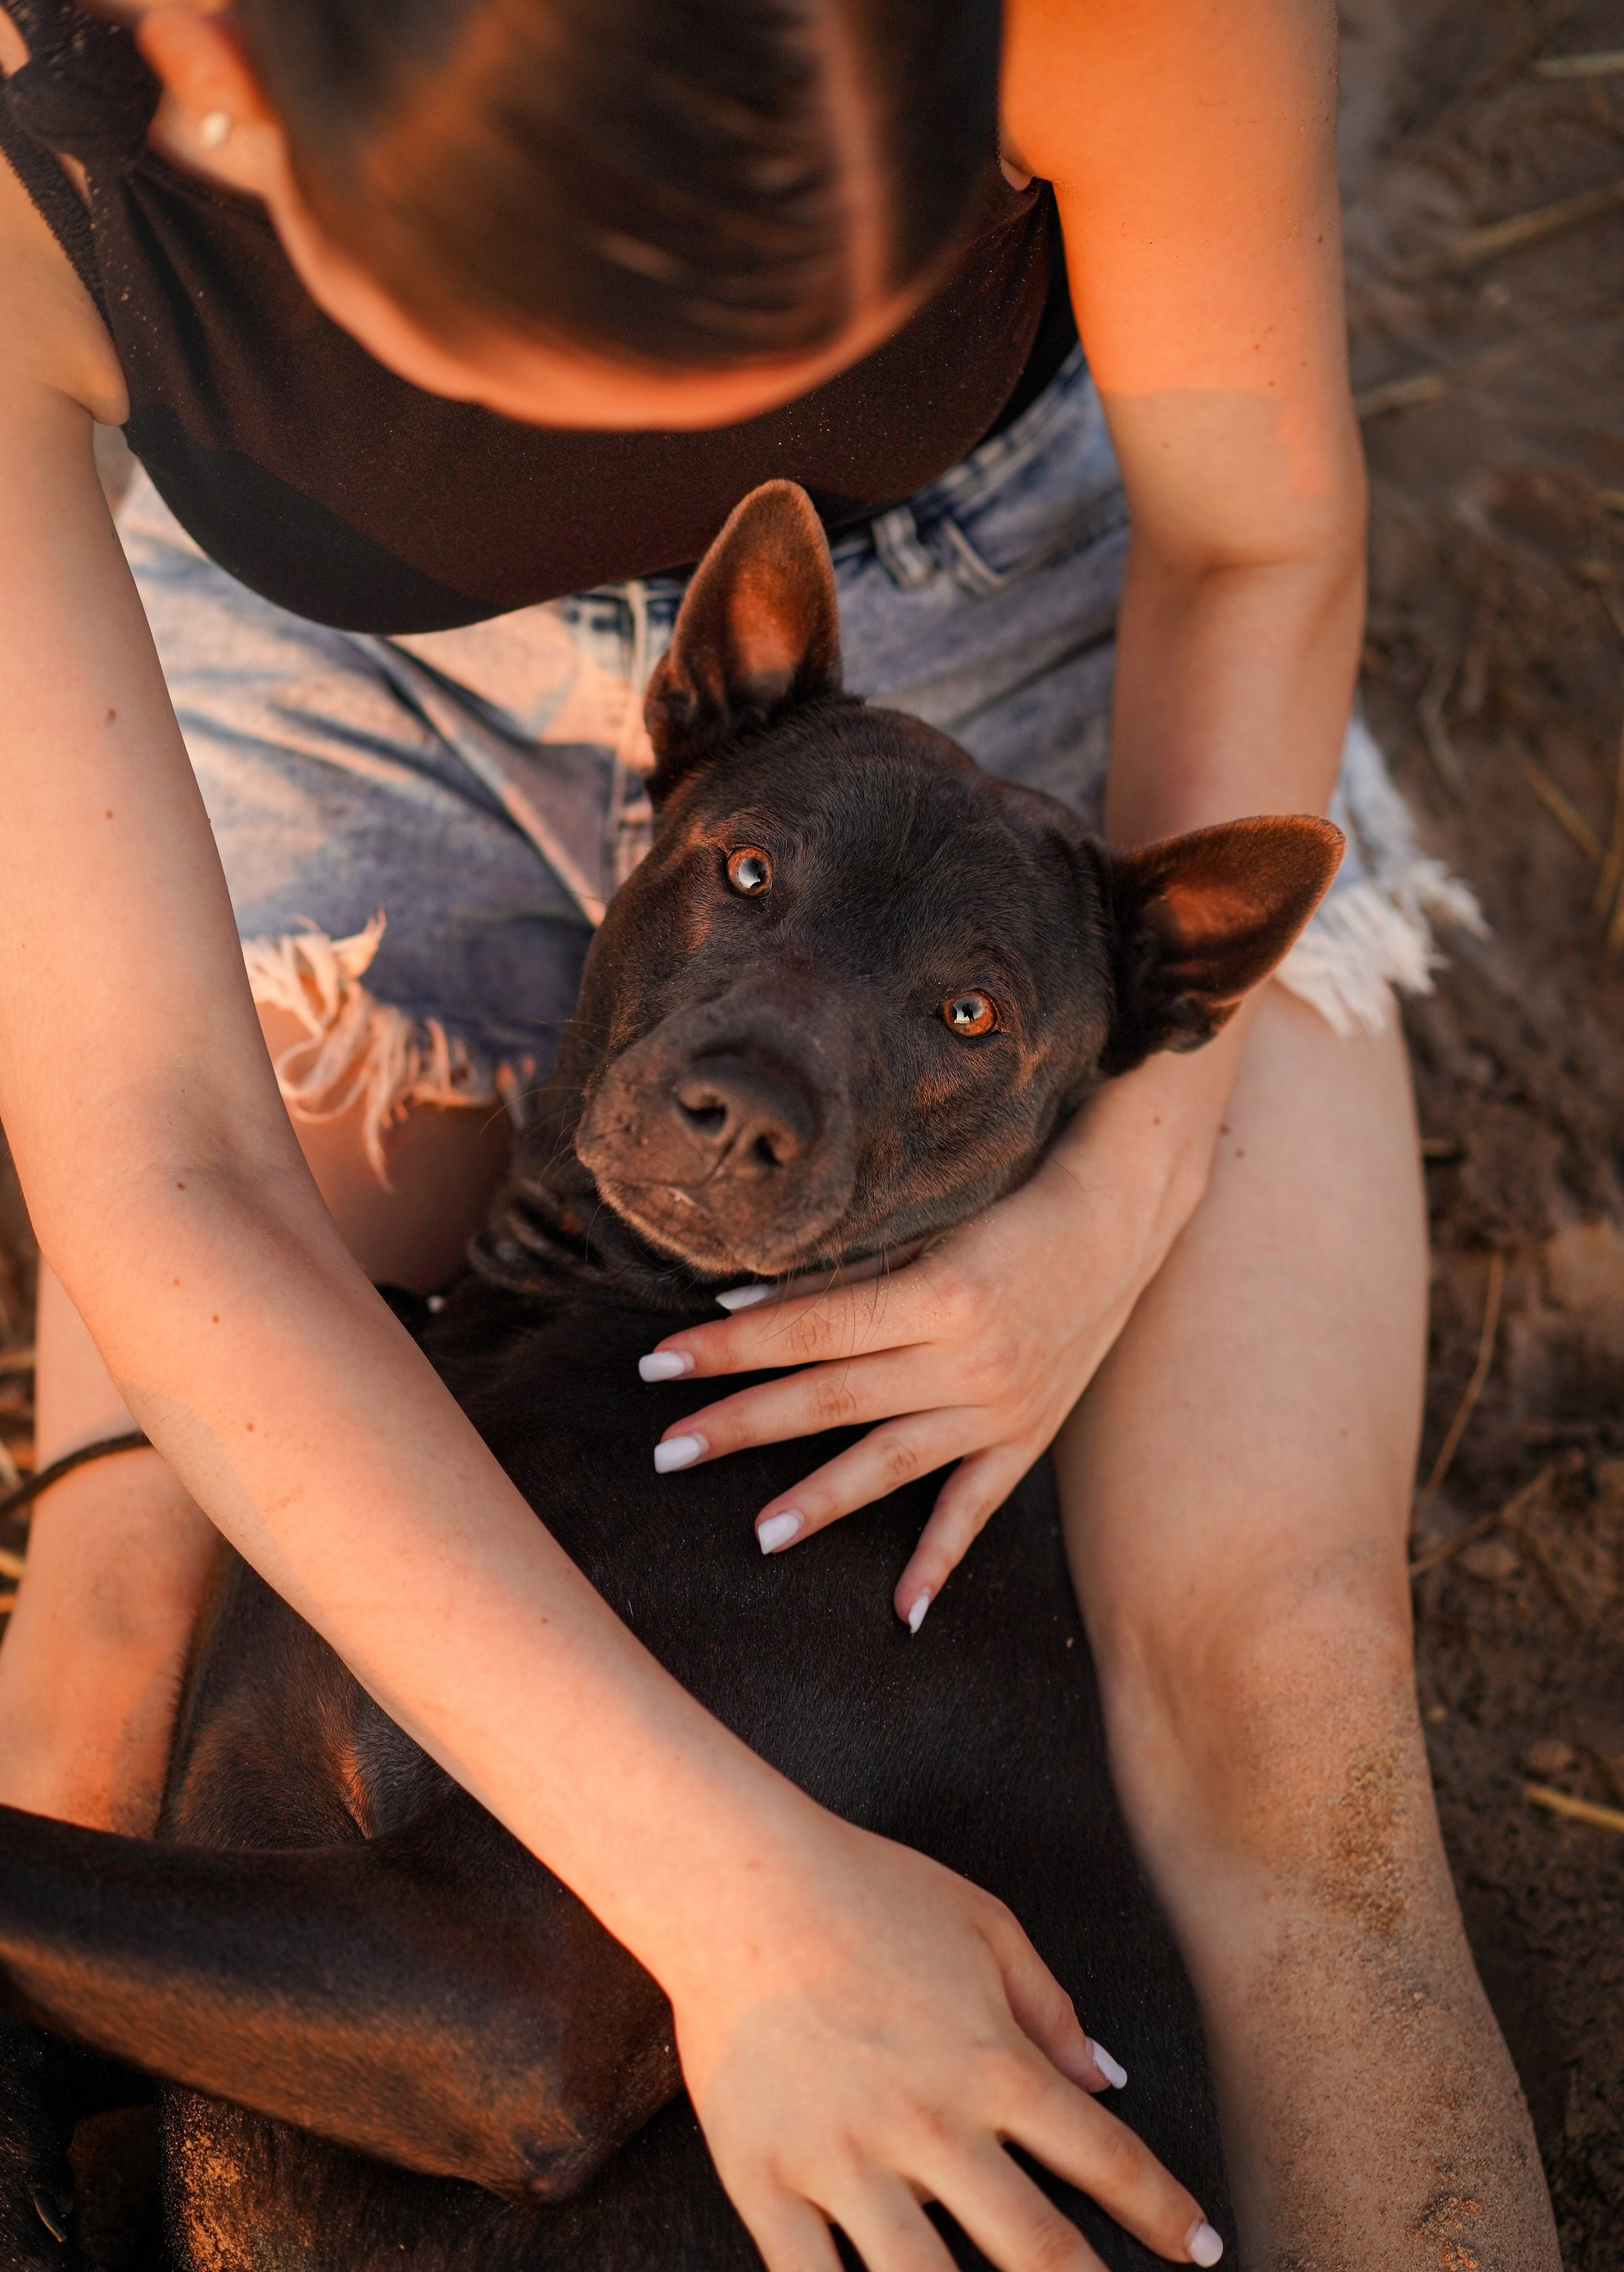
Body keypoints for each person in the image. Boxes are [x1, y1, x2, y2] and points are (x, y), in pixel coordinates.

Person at [0, 0, 1558, 2264]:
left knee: (1285, 1687)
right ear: (232, 92)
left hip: (1037, 643)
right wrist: (739, 1912)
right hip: (339, 667)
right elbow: (170, 1161)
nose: (642, 449)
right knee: (110, 1651)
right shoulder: (40, 186)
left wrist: (1120, 1175)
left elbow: (1257, 545)